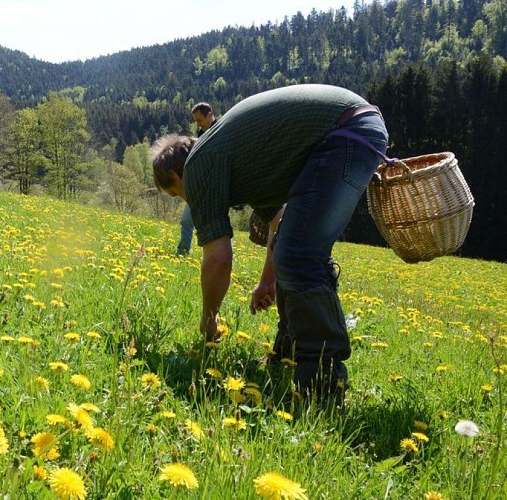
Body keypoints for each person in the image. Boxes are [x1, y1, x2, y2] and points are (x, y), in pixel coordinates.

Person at [150, 84, 389, 406]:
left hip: (346, 131)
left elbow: (218, 257)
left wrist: (209, 318)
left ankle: (322, 384)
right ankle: (288, 355)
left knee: (300, 255)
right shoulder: (235, 160)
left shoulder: (199, 167)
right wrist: (267, 280)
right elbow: (278, 221)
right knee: (294, 248)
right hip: (353, 125)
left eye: (176, 194)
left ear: (176, 176)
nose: (184, 199)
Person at [176, 102, 217, 255]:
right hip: (200, 184)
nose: (198, 124)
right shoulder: (201, 132)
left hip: (215, 184)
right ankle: (182, 252)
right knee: (187, 219)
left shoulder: (220, 131)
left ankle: (219, 256)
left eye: (199, 120)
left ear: (210, 115)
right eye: (195, 121)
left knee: (216, 224)